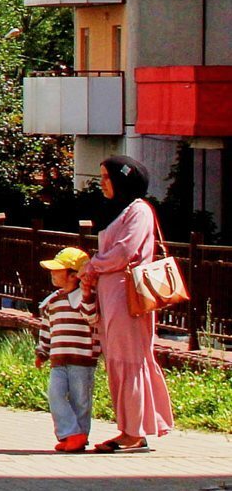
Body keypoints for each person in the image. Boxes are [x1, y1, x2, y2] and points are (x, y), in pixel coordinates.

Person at [81, 154, 175, 451]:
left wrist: (93, 266)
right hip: (112, 293)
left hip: (126, 294)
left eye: (107, 177)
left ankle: (133, 431)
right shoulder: (119, 211)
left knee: (129, 359)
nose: (103, 184)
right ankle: (133, 427)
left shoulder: (139, 211)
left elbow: (124, 252)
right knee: (119, 360)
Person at [34, 246, 100, 453]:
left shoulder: (86, 297)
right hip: (58, 358)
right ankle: (69, 433)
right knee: (55, 394)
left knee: (81, 399)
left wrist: (88, 293)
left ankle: (79, 435)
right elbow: (47, 328)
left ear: (74, 275)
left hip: (83, 358)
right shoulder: (53, 301)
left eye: (57, 270)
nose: (52, 274)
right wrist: (42, 351)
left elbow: (93, 318)